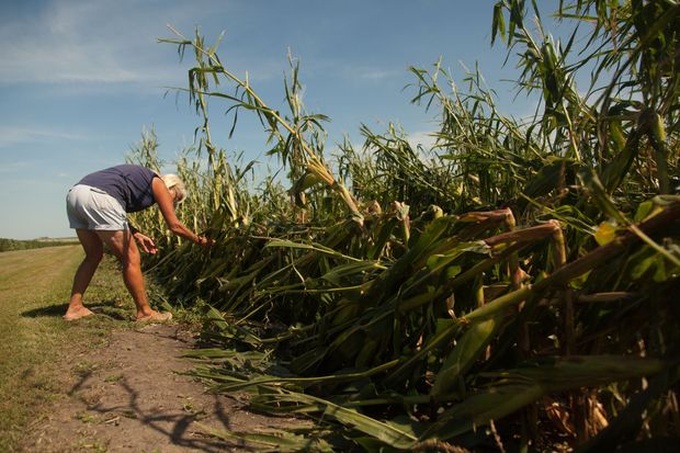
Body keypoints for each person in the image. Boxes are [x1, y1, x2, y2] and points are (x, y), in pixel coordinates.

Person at [64, 164, 212, 322]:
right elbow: (174, 226)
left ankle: (75, 308)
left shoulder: (140, 182)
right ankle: (145, 312)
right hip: (99, 197)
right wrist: (201, 241)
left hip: (76, 195)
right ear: (171, 186)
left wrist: (136, 233)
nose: (173, 203)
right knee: (131, 258)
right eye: (174, 198)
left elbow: (115, 208)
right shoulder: (158, 183)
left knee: (93, 255)